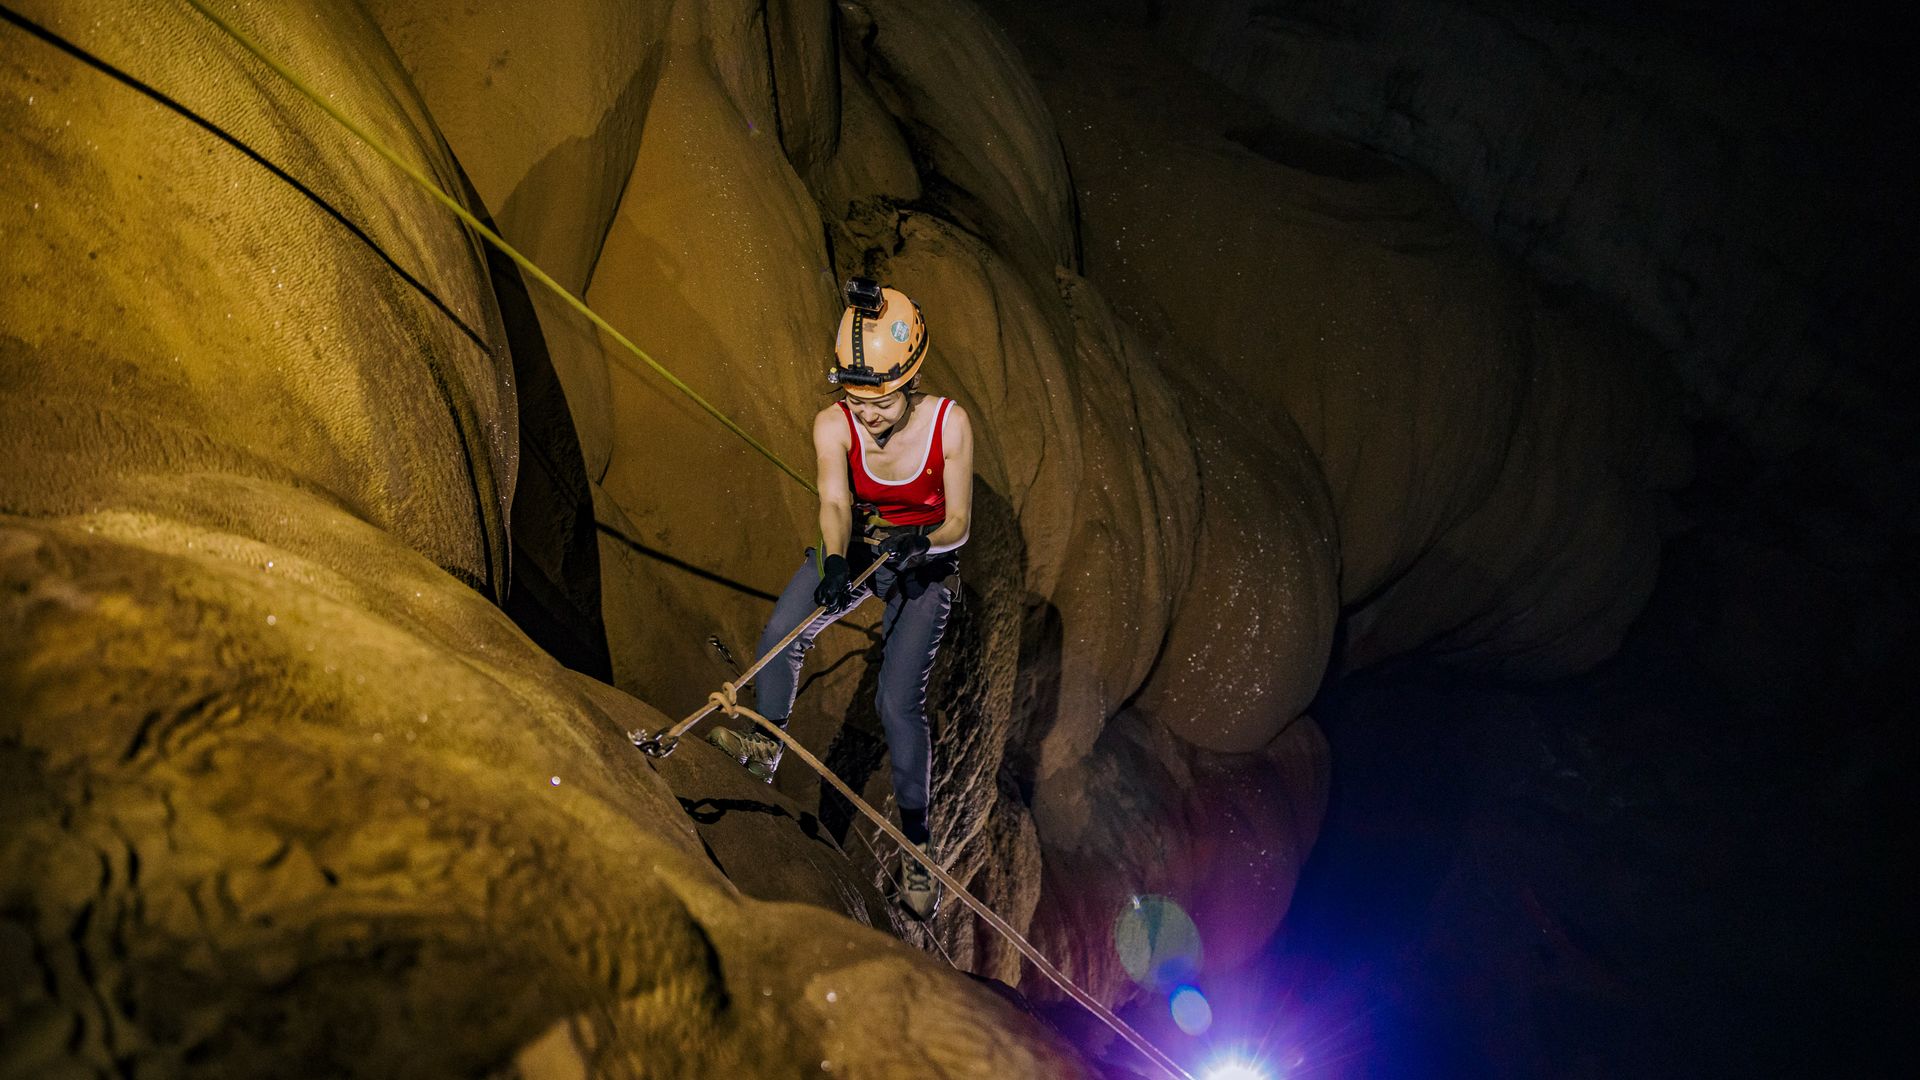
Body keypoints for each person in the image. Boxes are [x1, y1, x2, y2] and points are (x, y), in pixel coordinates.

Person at [707, 277, 973, 920]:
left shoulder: (949, 424)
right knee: (780, 633)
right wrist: (832, 562)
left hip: (923, 568)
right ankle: (767, 742)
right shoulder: (834, 425)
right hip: (860, 548)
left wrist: (925, 542)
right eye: (855, 397)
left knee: (896, 701)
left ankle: (917, 846)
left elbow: (960, 520)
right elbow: (833, 501)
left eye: (878, 398)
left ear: (909, 376)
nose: (867, 413)